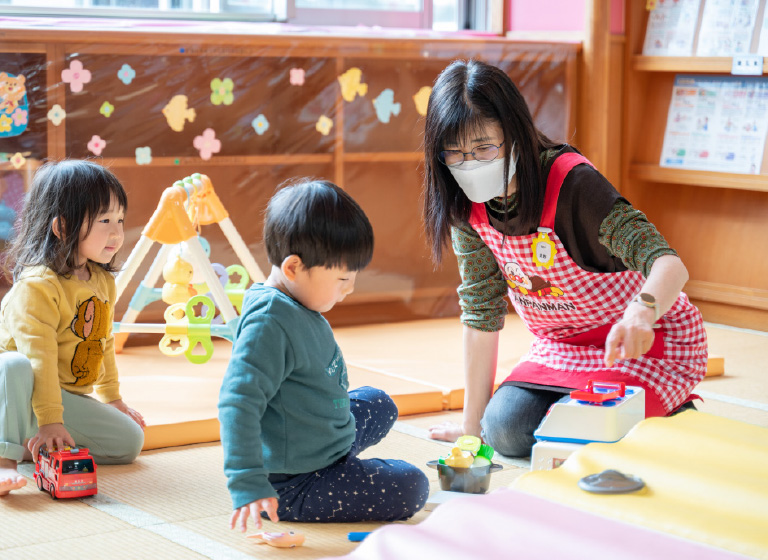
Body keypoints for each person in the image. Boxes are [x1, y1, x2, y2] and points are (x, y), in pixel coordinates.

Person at [422, 60, 707, 457]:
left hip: (644, 341)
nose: (469, 164)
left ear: (515, 133)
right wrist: (473, 430)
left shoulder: (572, 182)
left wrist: (641, 313)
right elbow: (481, 311)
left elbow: (669, 264)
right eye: (453, 153)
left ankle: (670, 410)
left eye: (484, 147)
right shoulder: (463, 206)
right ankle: (625, 416)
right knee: (502, 431)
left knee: (582, 428)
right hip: (561, 347)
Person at [218, 179, 429, 532]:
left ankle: (340, 458)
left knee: (379, 403)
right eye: (343, 278)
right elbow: (236, 403)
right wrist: (248, 483)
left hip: (320, 436)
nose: (350, 289)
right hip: (295, 479)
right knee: (412, 486)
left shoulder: (296, 299)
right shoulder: (268, 325)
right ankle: (299, 487)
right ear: (293, 268)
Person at [0, 160, 145, 496]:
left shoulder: (102, 280)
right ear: (62, 227)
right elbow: (39, 357)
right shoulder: (38, 286)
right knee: (15, 363)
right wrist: (51, 419)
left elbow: (102, 341)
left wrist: (113, 398)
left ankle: (25, 442)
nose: (117, 232)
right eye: (105, 220)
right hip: (15, 392)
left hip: (61, 396)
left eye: (120, 220)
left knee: (129, 442)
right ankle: (5, 460)